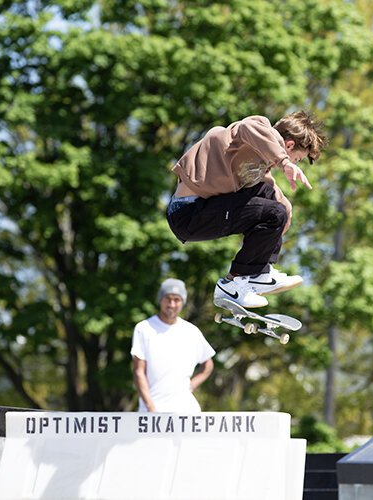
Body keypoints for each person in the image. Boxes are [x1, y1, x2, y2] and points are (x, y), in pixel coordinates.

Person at [166, 110, 327, 308]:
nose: (294, 163)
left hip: (204, 210)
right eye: (298, 159)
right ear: (289, 145)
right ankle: (234, 282)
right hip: (187, 214)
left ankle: (261, 272)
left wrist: (284, 201)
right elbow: (248, 128)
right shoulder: (256, 130)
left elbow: (265, 182)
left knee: (276, 202)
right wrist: (285, 162)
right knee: (276, 212)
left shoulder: (255, 159)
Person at [131, 278, 215, 413]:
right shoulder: (144, 328)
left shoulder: (191, 331)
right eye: (167, 299)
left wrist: (190, 386)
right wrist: (150, 407)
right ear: (160, 300)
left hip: (185, 410)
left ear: (183, 302)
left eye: (177, 299)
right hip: (152, 412)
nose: (171, 304)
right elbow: (138, 371)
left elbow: (208, 365)